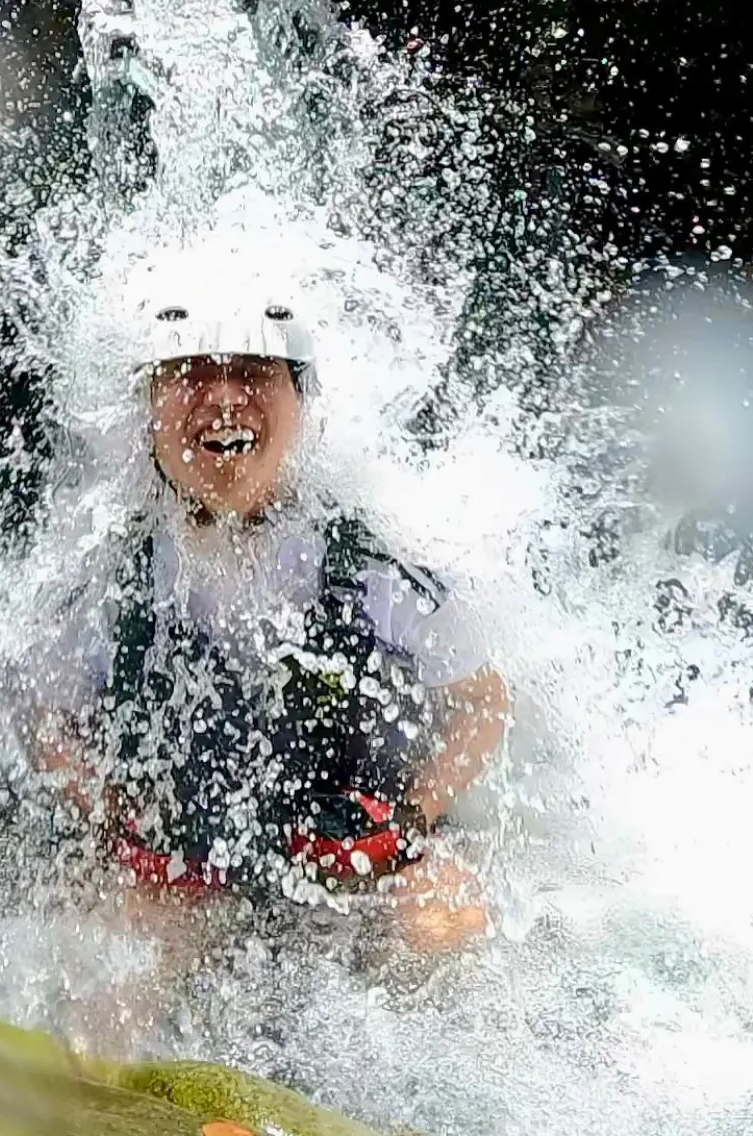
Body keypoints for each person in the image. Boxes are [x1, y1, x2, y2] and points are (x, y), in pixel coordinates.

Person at [27, 276, 509, 953]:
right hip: (189, 864)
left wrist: (402, 825)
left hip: (355, 858)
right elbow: (48, 717)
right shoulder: (112, 575)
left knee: (441, 920)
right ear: (147, 408)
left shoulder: (368, 565)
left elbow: (483, 703)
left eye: (254, 373)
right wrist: (120, 826)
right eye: (190, 373)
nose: (224, 398)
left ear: (301, 406)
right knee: (114, 956)